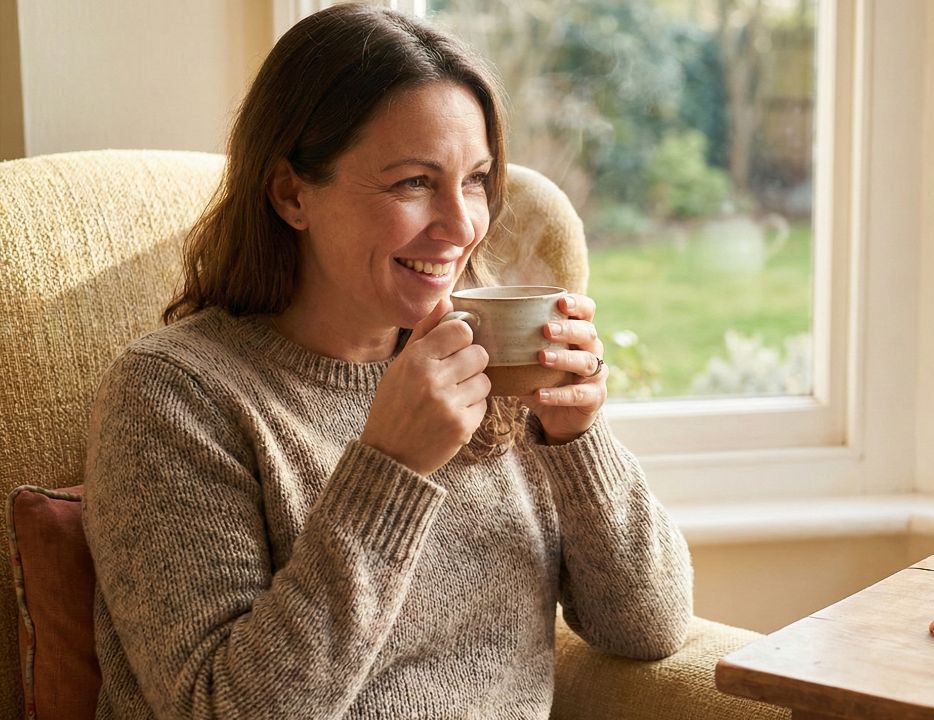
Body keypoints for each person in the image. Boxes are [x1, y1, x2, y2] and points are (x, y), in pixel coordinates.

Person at [81, 5, 693, 718]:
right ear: (292, 194)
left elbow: (649, 627)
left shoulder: (492, 362)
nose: (461, 225)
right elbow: (221, 707)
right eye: (413, 183)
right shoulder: (174, 395)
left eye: (475, 180)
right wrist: (391, 469)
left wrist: (578, 439)